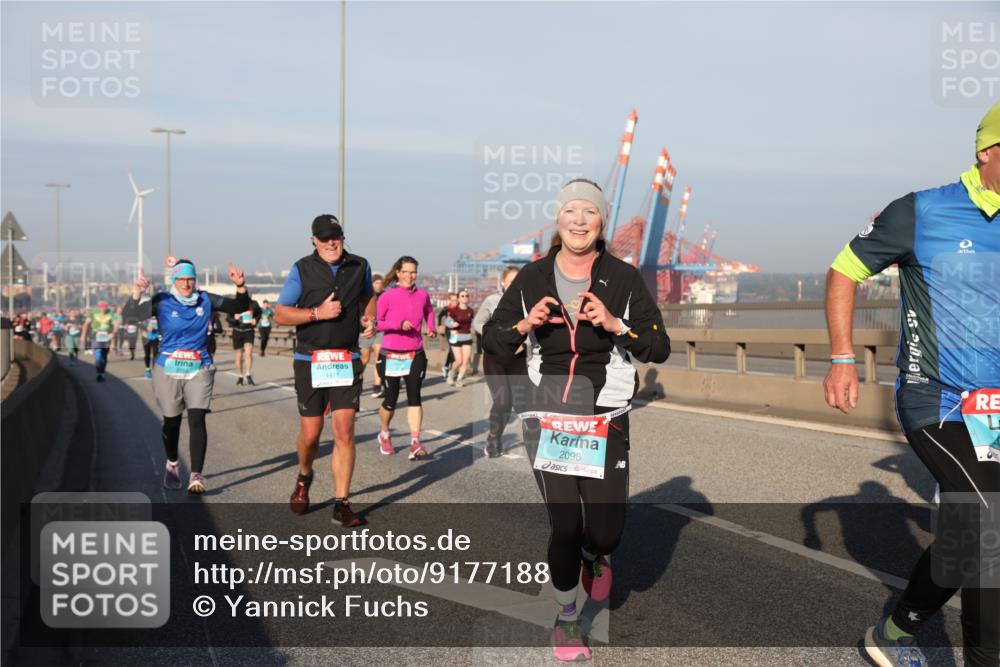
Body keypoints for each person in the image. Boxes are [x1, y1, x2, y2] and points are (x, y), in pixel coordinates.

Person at [825, 103, 1000, 667]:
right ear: (987, 152)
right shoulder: (922, 211)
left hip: (996, 409)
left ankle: (895, 632)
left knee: (968, 533)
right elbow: (845, 270)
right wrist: (843, 357)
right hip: (938, 398)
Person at [483, 179, 670, 662]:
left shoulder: (623, 278)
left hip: (605, 414)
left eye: (590, 212)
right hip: (546, 414)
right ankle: (567, 618)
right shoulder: (532, 278)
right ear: (559, 218)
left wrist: (614, 324)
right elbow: (493, 339)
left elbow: (658, 346)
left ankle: (595, 554)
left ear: (602, 221)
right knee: (565, 524)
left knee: (606, 533)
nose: (580, 221)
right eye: (571, 211)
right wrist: (525, 325)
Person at [274, 215, 376, 528]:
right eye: (324, 238)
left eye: (336, 236)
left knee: (344, 431)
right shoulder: (302, 268)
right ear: (313, 241)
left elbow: (368, 297)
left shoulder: (360, 265)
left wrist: (369, 318)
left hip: (346, 358)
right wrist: (317, 313)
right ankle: (304, 476)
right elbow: (280, 314)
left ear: (343, 237)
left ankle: (341, 504)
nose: (331, 242)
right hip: (310, 360)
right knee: (311, 435)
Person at [124, 258, 250, 494]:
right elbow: (130, 317)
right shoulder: (162, 300)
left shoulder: (205, 299)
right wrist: (136, 293)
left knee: (197, 418)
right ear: (174, 280)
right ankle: (172, 462)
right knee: (172, 422)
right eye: (181, 279)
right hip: (168, 367)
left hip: (199, 365)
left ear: (195, 279)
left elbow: (239, 307)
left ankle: (196, 475)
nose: (186, 284)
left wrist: (240, 286)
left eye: (190, 279)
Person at [375, 256, 437, 460]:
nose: (410, 276)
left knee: (414, 397)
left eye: (413, 272)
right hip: (391, 354)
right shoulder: (387, 296)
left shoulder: (423, 295)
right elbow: (377, 323)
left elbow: (429, 312)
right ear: (398, 273)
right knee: (390, 399)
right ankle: (384, 433)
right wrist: (398, 324)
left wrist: (432, 328)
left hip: (415, 353)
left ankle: (415, 442)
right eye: (406, 272)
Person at [473, 266, 527, 458]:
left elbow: (535, 329)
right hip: (495, 358)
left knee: (517, 402)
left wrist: (525, 343)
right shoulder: (492, 300)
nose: (514, 285)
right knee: (502, 400)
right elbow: (478, 323)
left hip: (517, 359)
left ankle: (529, 441)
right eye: (511, 281)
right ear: (503, 283)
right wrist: (495, 339)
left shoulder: (527, 303)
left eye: (517, 281)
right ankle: (493, 438)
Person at [359, 274, 385, 397]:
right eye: (376, 283)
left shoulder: (385, 296)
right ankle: (358, 381)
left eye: (381, 283)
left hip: (379, 331)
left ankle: (377, 386)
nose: (379, 285)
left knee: (378, 358)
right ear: (372, 284)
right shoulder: (365, 295)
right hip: (365, 332)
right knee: (364, 359)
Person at [80, 301, 118, 382]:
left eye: (104, 307)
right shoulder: (93, 313)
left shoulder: (111, 313)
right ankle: (98, 370)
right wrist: (83, 335)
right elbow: (86, 324)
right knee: (98, 352)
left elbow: (116, 324)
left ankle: (102, 372)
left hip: (107, 335)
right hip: (96, 334)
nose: (103, 309)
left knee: (104, 355)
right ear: (99, 307)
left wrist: (113, 333)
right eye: (101, 307)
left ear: (107, 307)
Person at [444, 289, 475, 387]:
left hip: (467, 337)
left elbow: (472, 323)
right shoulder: (454, 310)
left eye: (467, 296)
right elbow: (447, 322)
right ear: (458, 299)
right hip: (456, 337)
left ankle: (459, 379)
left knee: (465, 361)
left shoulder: (471, 311)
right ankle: (451, 374)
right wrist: (452, 324)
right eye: (462, 296)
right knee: (459, 361)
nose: (465, 297)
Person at [228, 299, 261, 385]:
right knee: (239, 356)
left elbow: (259, 313)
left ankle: (248, 374)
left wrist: (256, 320)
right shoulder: (233, 304)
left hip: (248, 331)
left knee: (248, 353)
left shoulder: (253, 303)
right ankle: (240, 376)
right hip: (237, 332)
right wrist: (234, 319)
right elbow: (229, 319)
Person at [437, 292, 457, 379]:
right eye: (453, 300)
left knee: (454, 350)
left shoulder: (459, 308)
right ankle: (447, 367)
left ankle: (450, 368)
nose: (454, 302)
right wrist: (439, 325)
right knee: (452, 349)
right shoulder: (446, 309)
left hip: (457, 331)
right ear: (449, 300)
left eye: (456, 300)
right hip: (449, 331)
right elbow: (439, 316)